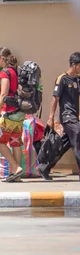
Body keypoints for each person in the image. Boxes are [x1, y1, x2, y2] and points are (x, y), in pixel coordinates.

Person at [0, 47, 24, 183]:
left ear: (2, 58)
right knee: (15, 143)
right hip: (19, 113)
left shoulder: (5, 73)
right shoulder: (15, 71)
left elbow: (3, 94)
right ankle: (16, 175)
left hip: (9, 113)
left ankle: (15, 167)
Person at [44, 52, 80, 180]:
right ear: (74, 65)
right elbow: (55, 99)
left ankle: (45, 167)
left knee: (64, 145)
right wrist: (50, 118)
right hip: (68, 117)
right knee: (78, 141)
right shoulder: (62, 79)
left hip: (76, 118)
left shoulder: (78, 79)